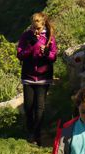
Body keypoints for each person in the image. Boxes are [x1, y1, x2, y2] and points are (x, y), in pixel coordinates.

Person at [16, 12, 57, 145]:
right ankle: (30, 132)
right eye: (33, 27)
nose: (36, 31)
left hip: (44, 77)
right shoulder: (26, 36)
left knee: (39, 107)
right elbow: (20, 55)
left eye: (38, 28)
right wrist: (30, 46)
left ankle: (36, 135)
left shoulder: (49, 37)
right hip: (28, 76)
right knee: (28, 107)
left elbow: (53, 57)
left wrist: (46, 53)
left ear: (43, 24)